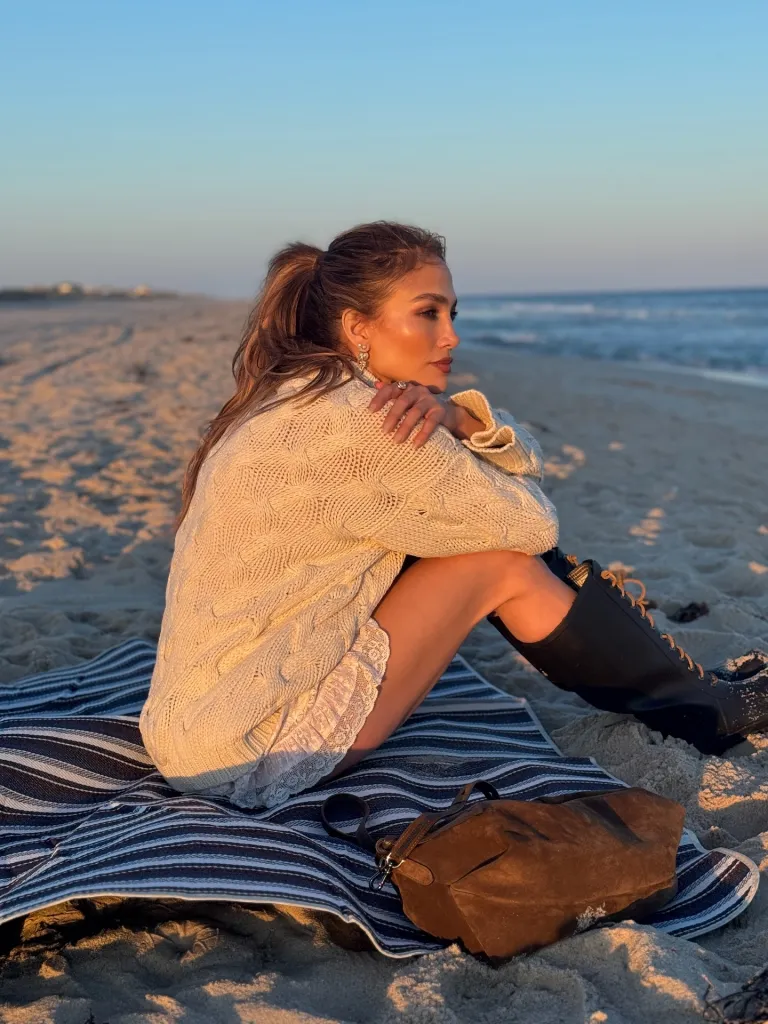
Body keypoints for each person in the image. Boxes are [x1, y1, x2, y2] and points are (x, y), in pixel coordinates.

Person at [139, 221, 768, 809]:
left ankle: (688, 696)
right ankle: (695, 709)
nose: (451, 336)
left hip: (197, 728)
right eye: (427, 313)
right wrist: (464, 425)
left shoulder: (299, 390)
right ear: (358, 328)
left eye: (451, 312)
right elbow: (533, 525)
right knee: (499, 564)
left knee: (466, 539)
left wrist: (460, 420)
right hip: (250, 751)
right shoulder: (368, 424)